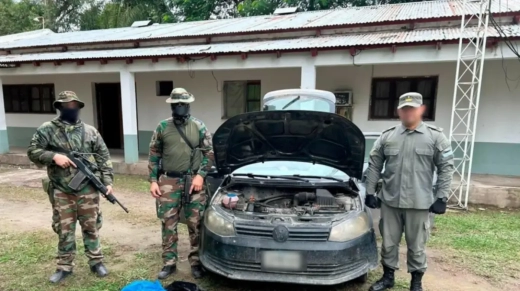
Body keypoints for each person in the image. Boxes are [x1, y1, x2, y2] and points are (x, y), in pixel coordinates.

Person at [364, 92, 454, 291]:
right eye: (404, 109)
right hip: (390, 201)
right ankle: (388, 278)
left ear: (421, 110)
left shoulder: (435, 137)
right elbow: (374, 165)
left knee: (417, 246)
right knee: (388, 243)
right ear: (399, 111)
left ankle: (416, 283)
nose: (408, 113)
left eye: (412, 108)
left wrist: (442, 197)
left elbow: (446, 167)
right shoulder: (387, 136)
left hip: (419, 203)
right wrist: (370, 192)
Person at [27, 91, 113, 283]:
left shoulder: (91, 131)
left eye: (74, 105)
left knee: (91, 226)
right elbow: (33, 151)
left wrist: (107, 183)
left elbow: (104, 157)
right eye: (67, 106)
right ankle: (64, 266)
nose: (71, 109)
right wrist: (53, 157)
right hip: (62, 189)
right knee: (64, 230)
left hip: (88, 190)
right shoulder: (47, 129)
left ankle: (96, 261)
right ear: (59, 107)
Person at [148, 88, 214, 280]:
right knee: (169, 223)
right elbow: (154, 154)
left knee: (196, 223)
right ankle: (169, 263)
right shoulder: (162, 127)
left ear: (188, 105)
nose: (179, 107)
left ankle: (196, 262)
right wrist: (153, 181)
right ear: (171, 105)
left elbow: (209, 153)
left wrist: (201, 175)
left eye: (183, 104)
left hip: (194, 182)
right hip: (168, 182)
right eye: (176, 104)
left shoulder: (199, 126)